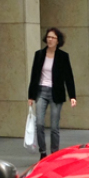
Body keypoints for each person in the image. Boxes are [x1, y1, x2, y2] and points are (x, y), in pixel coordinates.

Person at [27, 27, 77, 159]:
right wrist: (31, 96)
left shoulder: (63, 56)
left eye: (53, 38)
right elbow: (34, 75)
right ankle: (43, 151)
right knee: (39, 124)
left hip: (56, 93)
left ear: (58, 40)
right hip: (41, 92)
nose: (50, 40)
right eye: (48, 37)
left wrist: (72, 96)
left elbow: (69, 77)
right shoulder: (39, 55)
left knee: (54, 126)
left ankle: (54, 153)